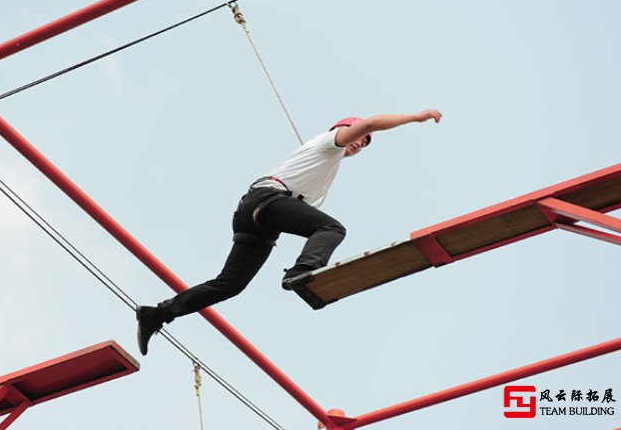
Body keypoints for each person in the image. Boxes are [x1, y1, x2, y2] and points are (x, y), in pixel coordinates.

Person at [136, 109, 443, 355]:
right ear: (344, 130)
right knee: (332, 228)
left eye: (362, 145)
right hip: (266, 201)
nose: (357, 144)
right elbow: (372, 122)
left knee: (230, 285)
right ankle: (303, 271)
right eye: (358, 137)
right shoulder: (328, 141)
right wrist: (416, 118)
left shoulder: (326, 167)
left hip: (259, 218)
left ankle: (159, 314)